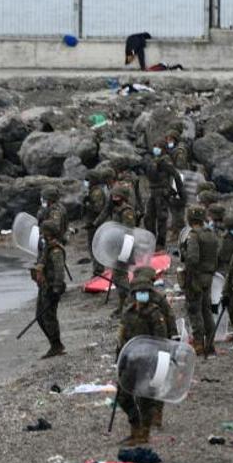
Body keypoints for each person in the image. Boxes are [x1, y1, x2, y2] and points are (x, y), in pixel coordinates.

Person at [116, 275, 169, 445]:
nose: (142, 294)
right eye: (139, 292)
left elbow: (161, 341)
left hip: (148, 362)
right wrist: (119, 359)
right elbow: (122, 338)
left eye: (145, 291)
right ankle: (135, 426)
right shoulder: (129, 312)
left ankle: (143, 433)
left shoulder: (154, 314)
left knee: (145, 400)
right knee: (123, 396)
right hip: (130, 361)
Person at [180, 205, 219, 356]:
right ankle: (210, 344)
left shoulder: (194, 235)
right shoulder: (211, 234)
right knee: (207, 310)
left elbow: (192, 258)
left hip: (195, 277)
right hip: (208, 277)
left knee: (195, 311)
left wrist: (183, 251)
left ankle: (198, 345)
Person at [31, 220, 67, 359]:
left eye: (43, 232)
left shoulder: (56, 250)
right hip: (44, 286)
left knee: (48, 317)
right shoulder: (47, 247)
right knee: (40, 317)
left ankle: (56, 345)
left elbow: (59, 271)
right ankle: (54, 344)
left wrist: (57, 289)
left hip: (51, 288)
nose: (41, 234)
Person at [144, 142, 185, 249]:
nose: (155, 149)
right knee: (149, 217)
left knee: (162, 219)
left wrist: (180, 193)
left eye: (158, 147)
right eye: (154, 146)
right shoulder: (153, 160)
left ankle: (160, 243)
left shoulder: (165, 161)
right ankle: (151, 239)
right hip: (153, 193)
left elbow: (176, 175)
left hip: (162, 194)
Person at [109, 184, 137, 316]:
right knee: (117, 277)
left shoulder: (127, 212)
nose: (115, 197)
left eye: (118, 195)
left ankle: (129, 304)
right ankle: (123, 305)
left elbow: (128, 232)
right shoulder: (117, 210)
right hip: (118, 247)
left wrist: (124, 253)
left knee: (121, 277)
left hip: (125, 248)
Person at [83, 168, 111, 275]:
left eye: (88, 180)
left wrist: (88, 204)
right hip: (92, 223)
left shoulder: (97, 192)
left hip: (96, 224)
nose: (86, 182)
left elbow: (98, 209)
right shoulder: (93, 191)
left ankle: (98, 270)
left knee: (95, 247)